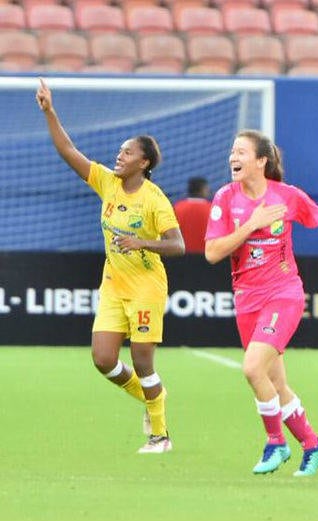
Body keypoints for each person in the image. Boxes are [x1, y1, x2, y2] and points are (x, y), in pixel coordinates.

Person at [204, 129, 318, 476]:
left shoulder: (286, 196)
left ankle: (276, 443)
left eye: (241, 152)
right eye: (232, 152)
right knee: (276, 384)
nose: (233, 158)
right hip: (246, 299)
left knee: (252, 368)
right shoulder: (225, 198)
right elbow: (212, 252)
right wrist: (251, 225)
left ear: (261, 161)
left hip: (283, 293)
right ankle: (314, 445)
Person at [36, 78, 185, 453]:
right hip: (114, 285)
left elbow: (178, 245)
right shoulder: (108, 183)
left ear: (144, 162)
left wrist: (142, 242)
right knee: (103, 360)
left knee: (142, 361)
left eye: (127, 152)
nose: (119, 156)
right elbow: (68, 150)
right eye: (119, 151)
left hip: (146, 288)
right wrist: (50, 111)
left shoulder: (155, 200)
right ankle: (155, 399)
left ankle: (160, 436)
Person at [173, 176, 211, 254]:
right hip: (206, 257)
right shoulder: (213, 209)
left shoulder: (177, 208)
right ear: (204, 189)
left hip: (180, 257)